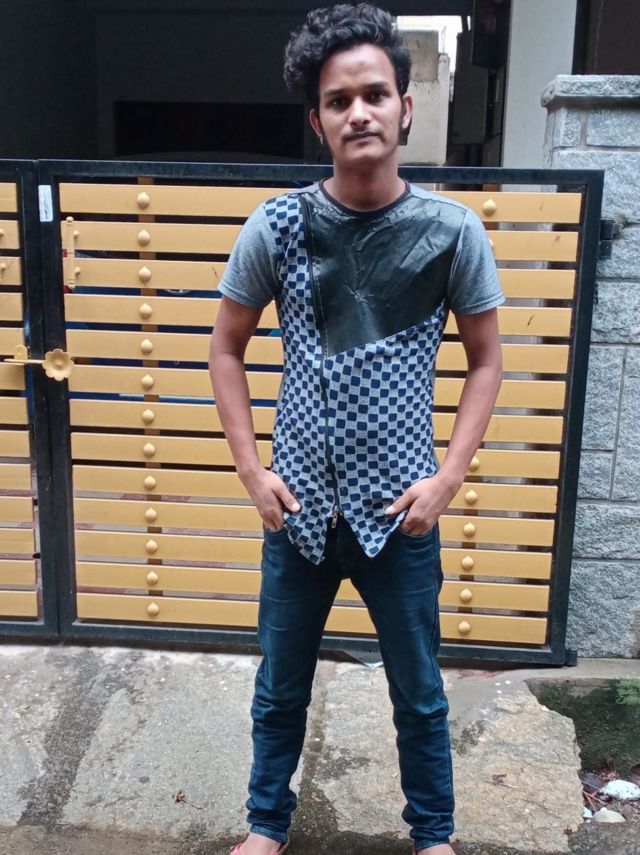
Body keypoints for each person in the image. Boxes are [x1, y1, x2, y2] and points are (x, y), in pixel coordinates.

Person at [209, 5, 504, 853]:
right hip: (298, 509)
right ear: (318, 121)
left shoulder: (452, 231)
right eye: (339, 101)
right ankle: (266, 825)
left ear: (405, 107)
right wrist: (252, 471)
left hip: (400, 512)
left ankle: (434, 835)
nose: (359, 113)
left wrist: (448, 478)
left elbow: (487, 359)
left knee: (419, 692)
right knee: (280, 687)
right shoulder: (277, 227)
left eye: (375, 94)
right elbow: (225, 348)